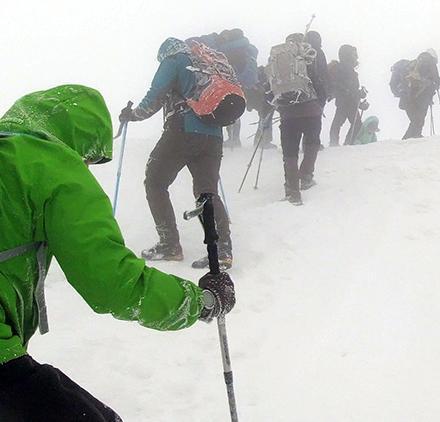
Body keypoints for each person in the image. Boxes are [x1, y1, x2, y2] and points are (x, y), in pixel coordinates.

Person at [0, 84, 236, 422]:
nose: (84, 166)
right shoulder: (51, 166)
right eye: (89, 158)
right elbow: (113, 283)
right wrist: (203, 302)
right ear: (80, 138)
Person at [119, 37, 233, 270]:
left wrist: (133, 115)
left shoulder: (174, 59)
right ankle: (221, 250)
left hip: (183, 130)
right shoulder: (209, 65)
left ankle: (169, 244)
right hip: (213, 135)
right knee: (207, 191)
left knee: (155, 182)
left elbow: (155, 95)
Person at [274, 33, 328, 205]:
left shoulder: (277, 61)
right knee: (312, 143)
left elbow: (270, 87)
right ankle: (306, 176)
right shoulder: (307, 57)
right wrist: (319, 103)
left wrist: (278, 107)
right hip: (311, 110)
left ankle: (292, 191)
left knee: (290, 151)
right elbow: (319, 82)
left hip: (288, 113)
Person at [190, 29, 259, 148]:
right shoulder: (247, 50)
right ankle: (234, 139)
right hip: (242, 85)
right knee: (233, 108)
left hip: (227, 83)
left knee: (222, 107)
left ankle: (229, 138)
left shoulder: (228, 50)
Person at [401, 49, 440, 140]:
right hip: (422, 94)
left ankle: (412, 136)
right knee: (419, 117)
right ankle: (410, 137)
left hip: (412, 94)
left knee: (416, 119)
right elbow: (436, 78)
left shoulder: (417, 62)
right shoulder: (430, 61)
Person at [329, 44, 366, 146]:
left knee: (339, 123)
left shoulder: (344, 69)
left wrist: (358, 97)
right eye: (354, 55)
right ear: (348, 56)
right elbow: (346, 88)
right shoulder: (345, 70)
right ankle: (344, 144)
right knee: (355, 125)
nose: (357, 57)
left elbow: (347, 88)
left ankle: (335, 144)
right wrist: (359, 94)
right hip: (347, 102)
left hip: (346, 102)